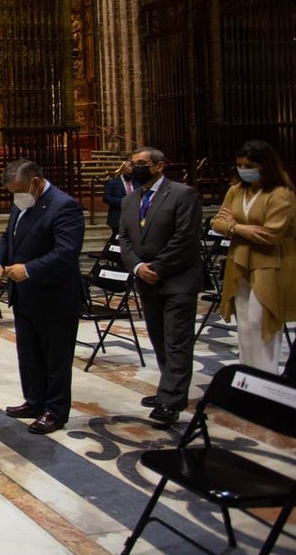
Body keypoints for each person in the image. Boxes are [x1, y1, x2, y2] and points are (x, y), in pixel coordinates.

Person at [0, 159, 85, 435]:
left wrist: (29, 269)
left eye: (18, 191)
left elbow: (67, 252)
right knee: (29, 353)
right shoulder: (23, 202)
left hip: (54, 295)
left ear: (35, 181)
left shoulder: (64, 206)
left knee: (55, 357)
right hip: (24, 294)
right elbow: (8, 237)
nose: (15, 197)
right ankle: (34, 401)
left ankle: (55, 411)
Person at [118, 147, 203, 426]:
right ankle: (168, 388)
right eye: (133, 163)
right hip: (146, 280)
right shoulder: (130, 200)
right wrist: (137, 267)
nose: (136, 168)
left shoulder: (182, 194)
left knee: (177, 340)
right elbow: (124, 239)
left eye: (142, 163)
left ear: (159, 166)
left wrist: (158, 267)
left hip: (177, 278)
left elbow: (185, 237)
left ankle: (171, 400)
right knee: (159, 338)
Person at [211, 140, 296, 374]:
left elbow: (271, 234)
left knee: (262, 322)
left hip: (270, 263)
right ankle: (247, 377)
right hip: (239, 260)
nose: (243, 170)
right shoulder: (236, 190)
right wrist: (239, 228)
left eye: (249, 166)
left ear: (265, 165)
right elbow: (216, 222)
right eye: (240, 165)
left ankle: (265, 378)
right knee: (245, 325)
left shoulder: (281, 194)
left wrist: (234, 227)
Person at [102, 162, 134, 236]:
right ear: (122, 171)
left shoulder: (137, 182)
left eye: (131, 174)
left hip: (134, 218)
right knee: (117, 239)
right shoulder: (113, 183)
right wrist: (123, 202)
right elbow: (106, 198)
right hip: (118, 217)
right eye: (128, 173)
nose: (130, 175)